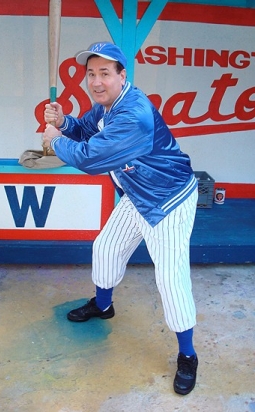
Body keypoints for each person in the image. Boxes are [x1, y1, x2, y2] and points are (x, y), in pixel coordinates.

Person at [42, 42, 199, 395]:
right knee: (106, 249)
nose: (96, 82)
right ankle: (103, 304)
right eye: (91, 74)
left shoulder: (134, 114)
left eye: (105, 74)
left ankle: (188, 355)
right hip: (138, 194)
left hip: (169, 199)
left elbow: (91, 158)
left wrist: (55, 140)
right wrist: (64, 121)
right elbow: (84, 130)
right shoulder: (105, 106)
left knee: (171, 280)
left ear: (122, 75)